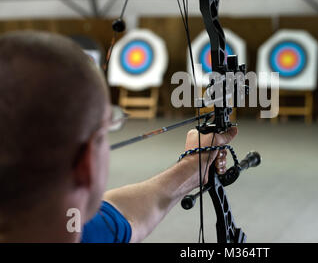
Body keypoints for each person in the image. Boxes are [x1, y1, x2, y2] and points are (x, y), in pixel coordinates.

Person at [0, 30, 237, 243]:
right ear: (86, 163)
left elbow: (125, 214)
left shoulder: (74, 227)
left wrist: (191, 167)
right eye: (104, 131)